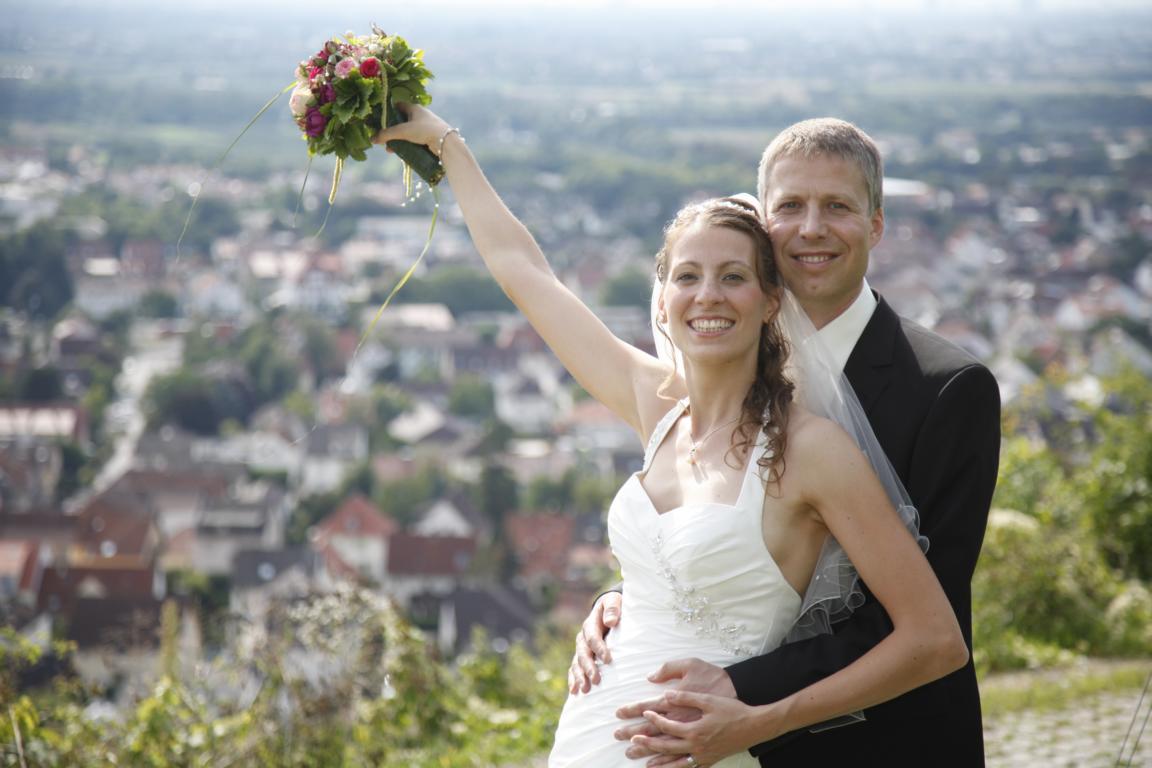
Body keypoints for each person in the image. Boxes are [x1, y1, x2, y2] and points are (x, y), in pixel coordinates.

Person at [374, 105, 970, 768]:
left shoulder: (811, 449)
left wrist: (756, 722)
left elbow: (936, 639)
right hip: (587, 738)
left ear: (772, 301)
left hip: (705, 750)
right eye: (687, 276)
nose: (707, 296)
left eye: (734, 276)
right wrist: (444, 143)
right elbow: (524, 272)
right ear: (662, 299)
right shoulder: (651, 402)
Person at [571, 118, 1002, 766]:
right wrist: (632, 604)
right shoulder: (721, 370)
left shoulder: (948, 388)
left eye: (838, 207)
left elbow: (908, 617)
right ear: (761, 222)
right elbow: (717, 530)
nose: (810, 229)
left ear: (876, 224)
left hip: (889, 743)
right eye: (790, 207)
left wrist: (740, 692)